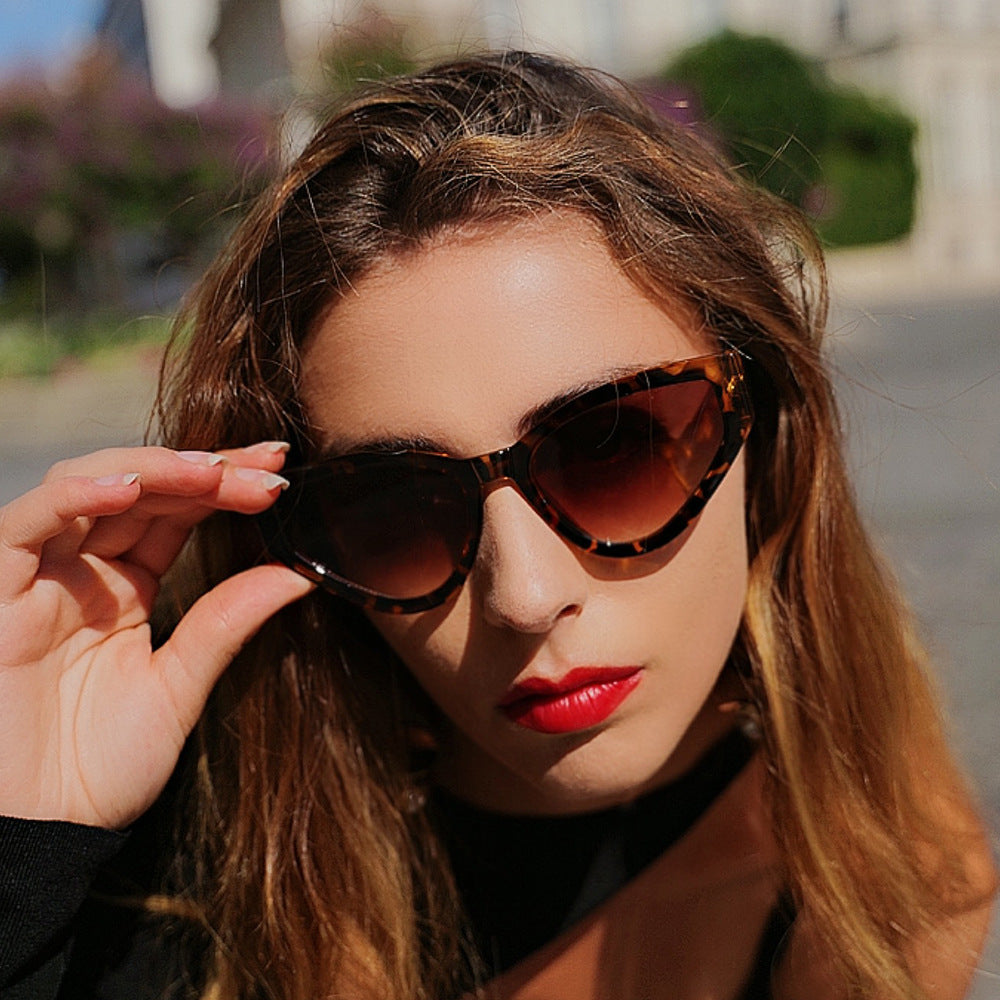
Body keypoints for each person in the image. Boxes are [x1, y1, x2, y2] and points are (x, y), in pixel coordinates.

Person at [0, 51, 994, 1000]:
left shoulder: (894, 886)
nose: (524, 595)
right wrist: (27, 853)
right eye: (395, 505)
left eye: (610, 446)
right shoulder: (168, 852)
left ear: (762, 427)